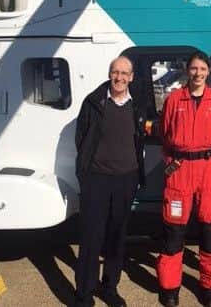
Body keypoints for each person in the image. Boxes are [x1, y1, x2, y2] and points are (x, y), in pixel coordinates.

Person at [74, 56, 146, 307]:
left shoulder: (137, 104)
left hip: (126, 180)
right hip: (97, 179)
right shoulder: (93, 102)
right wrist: (86, 173)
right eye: (115, 72)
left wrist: (137, 175)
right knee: (91, 237)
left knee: (117, 237)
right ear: (109, 74)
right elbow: (81, 138)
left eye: (124, 73)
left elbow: (138, 139)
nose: (119, 77)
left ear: (132, 77)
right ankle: (84, 293)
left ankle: (109, 288)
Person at [156, 51, 211, 307]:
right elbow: (165, 134)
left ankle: (209, 288)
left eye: (202, 69)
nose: (198, 73)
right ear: (188, 71)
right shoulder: (174, 99)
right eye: (193, 68)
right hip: (180, 170)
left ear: (208, 72)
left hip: (210, 170)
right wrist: (172, 160)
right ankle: (169, 289)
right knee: (174, 232)